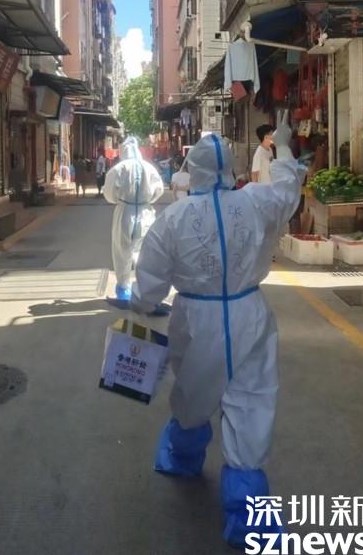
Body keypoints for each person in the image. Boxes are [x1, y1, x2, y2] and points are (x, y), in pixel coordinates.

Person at [132, 125, 306, 546]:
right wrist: (283, 148)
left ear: (192, 170)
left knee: (192, 396)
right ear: (230, 168)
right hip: (249, 315)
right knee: (252, 403)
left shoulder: (173, 219)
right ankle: (250, 517)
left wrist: (139, 304)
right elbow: (288, 192)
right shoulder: (256, 201)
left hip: (196, 319)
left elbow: (149, 286)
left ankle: (182, 457)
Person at [103, 136, 164, 302]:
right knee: (143, 251)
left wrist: (121, 200)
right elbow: (159, 190)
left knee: (122, 250)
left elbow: (109, 194)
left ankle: (123, 288)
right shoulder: (149, 168)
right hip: (145, 212)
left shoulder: (118, 169)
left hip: (124, 212)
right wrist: (146, 201)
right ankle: (145, 289)